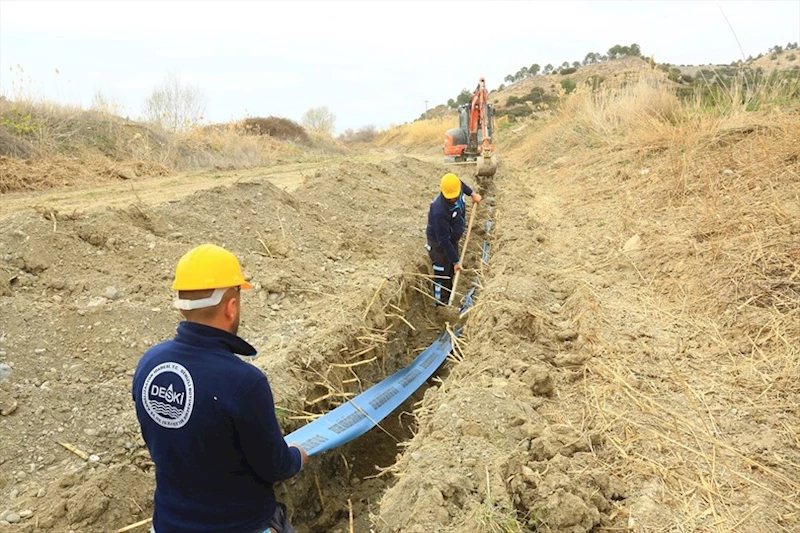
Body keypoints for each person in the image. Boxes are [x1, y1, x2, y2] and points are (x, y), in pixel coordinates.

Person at [132, 243, 308, 533]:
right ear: (231, 307)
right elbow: (274, 466)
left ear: (181, 308)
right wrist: (297, 456)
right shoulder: (244, 382)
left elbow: (164, 442)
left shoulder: (149, 364)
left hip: (167, 525)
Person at [425, 173, 481, 306]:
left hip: (451, 239)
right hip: (439, 243)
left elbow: (461, 184)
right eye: (451, 198)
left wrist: (472, 194)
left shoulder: (455, 187)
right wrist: (456, 260)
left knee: (451, 269)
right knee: (442, 273)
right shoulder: (439, 210)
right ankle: (440, 304)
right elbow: (443, 240)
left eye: (456, 196)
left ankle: (450, 291)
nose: (454, 199)